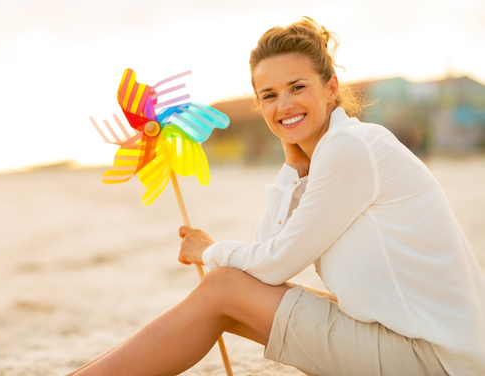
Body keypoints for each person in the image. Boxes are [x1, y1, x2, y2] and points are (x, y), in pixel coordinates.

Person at [69, 17, 485, 376]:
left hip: (431, 361)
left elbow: (272, 264)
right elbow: (265, 255)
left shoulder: (350, 148)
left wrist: (208, 250)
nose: (283, 104)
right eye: (269, 95)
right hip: (421, 349)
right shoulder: (330, 154)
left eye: (297, 87)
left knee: (222, 288)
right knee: (228, 290)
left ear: (331, 88)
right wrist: (292, 172)